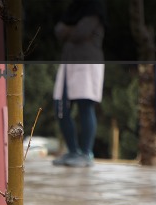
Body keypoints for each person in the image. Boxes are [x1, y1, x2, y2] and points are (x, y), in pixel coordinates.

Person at [51, 0, 105, 168]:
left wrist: (68, 31)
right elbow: (58, 31)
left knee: (85, 106)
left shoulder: (95, 7)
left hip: (87, 64)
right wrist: (70, 31)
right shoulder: (73, 9)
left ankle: (86, 153)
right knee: (60, 107)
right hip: (68, 63)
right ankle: (73, 151)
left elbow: (80, 33)